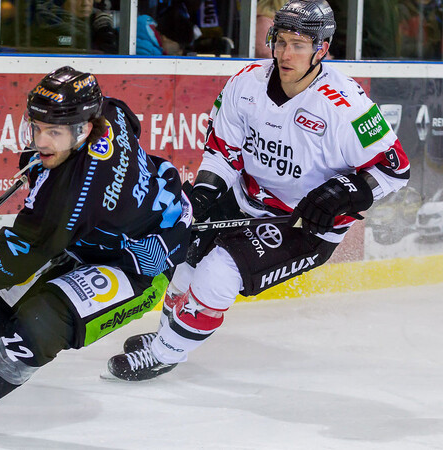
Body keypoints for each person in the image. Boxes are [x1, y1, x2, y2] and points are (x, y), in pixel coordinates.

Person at [0, 66, 193, 443]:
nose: (42, 140)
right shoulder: (110, 112)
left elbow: (7, 261)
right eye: (37, 127)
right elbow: (130, 125)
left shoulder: (73, 196)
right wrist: (47, 157)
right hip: (91, 238)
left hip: (136, 265)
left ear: (84, 129)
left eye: (53, 133)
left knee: (36, 325)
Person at [107, 0, 410, 381]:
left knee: (218, 273)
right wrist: (203, 193)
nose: (285, 53)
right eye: (280, 41)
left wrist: (344, 190)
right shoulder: (246, 82)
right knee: (185, 254)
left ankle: (166, 352)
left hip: (302, 223)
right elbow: (222, 149)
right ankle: (170, 334)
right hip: (246, 196)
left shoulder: (345, 105)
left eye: (298, 44)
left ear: (322, 48)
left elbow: (396, 168)